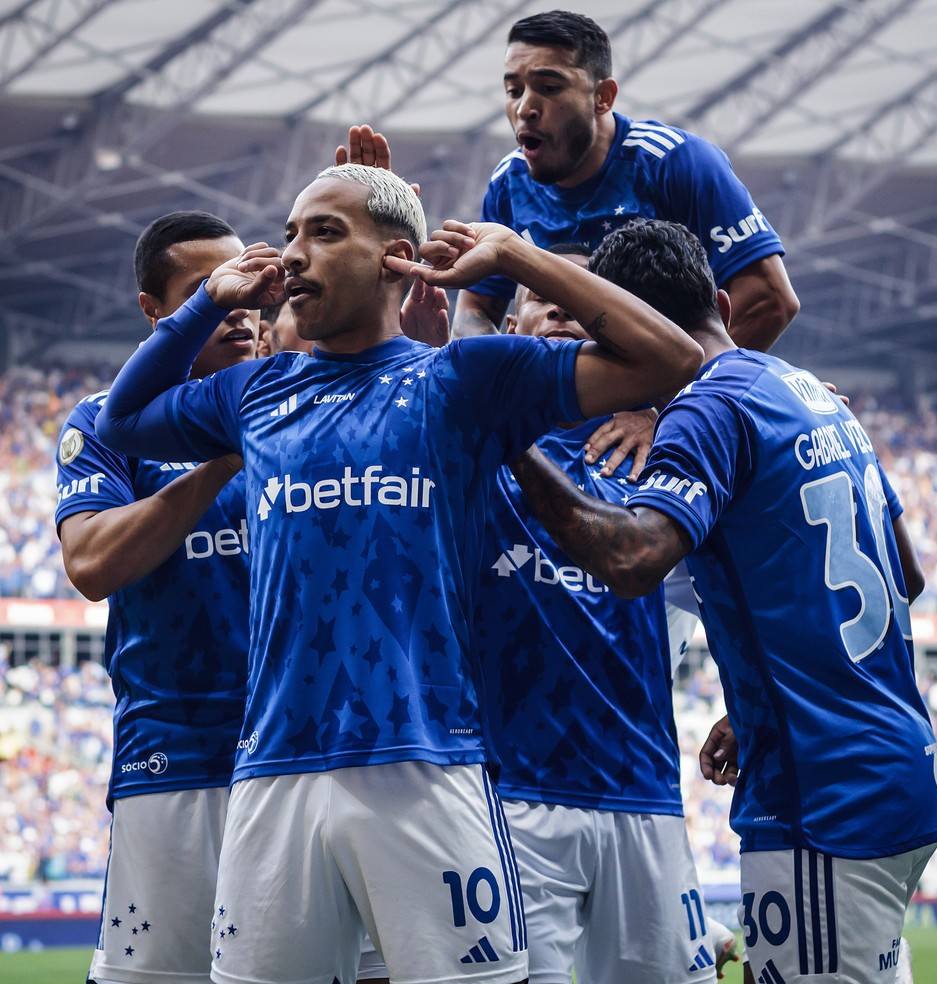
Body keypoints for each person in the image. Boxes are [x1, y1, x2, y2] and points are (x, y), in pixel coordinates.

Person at [93, 163, 703, 984]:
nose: (293, 254)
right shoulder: (255, 390)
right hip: (273, 772)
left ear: (396, 257)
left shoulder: (463, 379)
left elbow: (670, 357)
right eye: (292, 231)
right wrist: (208, 301)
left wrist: (519, 256)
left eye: (325, 232)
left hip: (428, 765)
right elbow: (123, 422)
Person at [509, 218, 937, 984]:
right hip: (899, 763)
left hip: (824, 795)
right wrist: (761, 687)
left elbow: (633, 559)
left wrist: (503, 438)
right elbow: (903, 576)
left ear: (629, 338)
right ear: (718, 298)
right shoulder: (812, 391)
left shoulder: (705, 411)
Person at [475, 242, 736, 983]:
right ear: (513, 324)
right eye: (537, 291)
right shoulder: (468, 441)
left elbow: (745, 592)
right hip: (513, 800)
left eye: (584, 294)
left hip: (645, 798)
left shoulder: (674, 450)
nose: (560, 303)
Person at [54, 210, 256, 984]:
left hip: (305, 750)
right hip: (176, 757)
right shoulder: (106, 426)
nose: (238, 307)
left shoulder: (295, 401)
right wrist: (217, 468)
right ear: (155, 311)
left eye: (247, 287)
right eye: (210, 292)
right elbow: (92, 562)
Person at [453, 10, 798, 351]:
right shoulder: (508, 184)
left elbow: (768, 300)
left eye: (549, 87)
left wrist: (679, 400)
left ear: (602, 97)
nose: (525, 107)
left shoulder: (675, 162)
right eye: (514, 90)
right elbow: (476, 309)